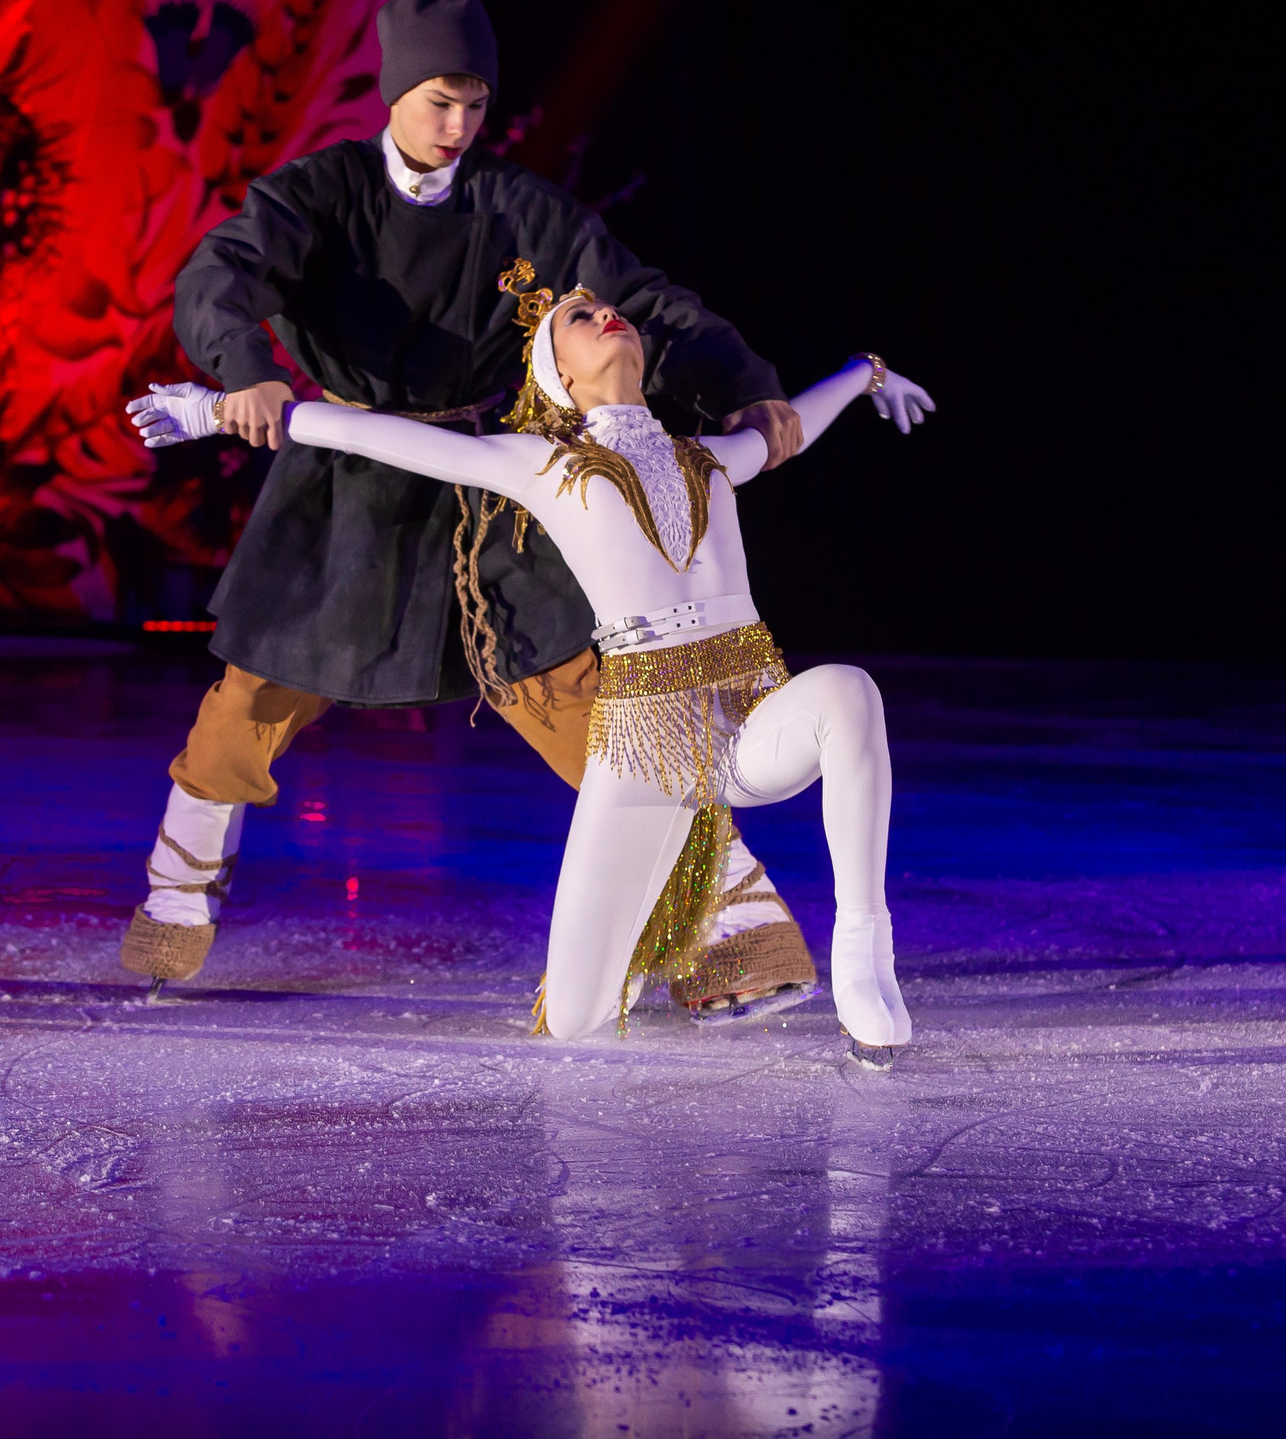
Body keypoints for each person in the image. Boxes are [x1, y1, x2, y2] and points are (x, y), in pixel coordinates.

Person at [119, 0, 820, 1014]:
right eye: (440, 102)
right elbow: (220, 273)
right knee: (253, 697)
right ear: (396, 90)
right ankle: (178, 893)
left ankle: (733, 927)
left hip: (487, 485)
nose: (457, 128)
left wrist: (744, 381)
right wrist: (243, 369)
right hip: (344, 484)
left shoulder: (520, 211)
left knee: (580, 694)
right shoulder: (322, 192)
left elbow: (646, 305)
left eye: (475, 108)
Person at [130, 262, 936, 1061]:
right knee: (577, 1021)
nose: (608, 315)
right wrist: (209, 410)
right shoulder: (540, 464)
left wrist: (866, 376)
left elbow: (791, 422)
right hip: (646, 752)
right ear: (557, 376)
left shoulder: (710, 458)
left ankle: (864, 949)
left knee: (846, 692)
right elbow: (366, 433)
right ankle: (644, 942)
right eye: (581, 321)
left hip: (751, 723)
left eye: (610, 309)